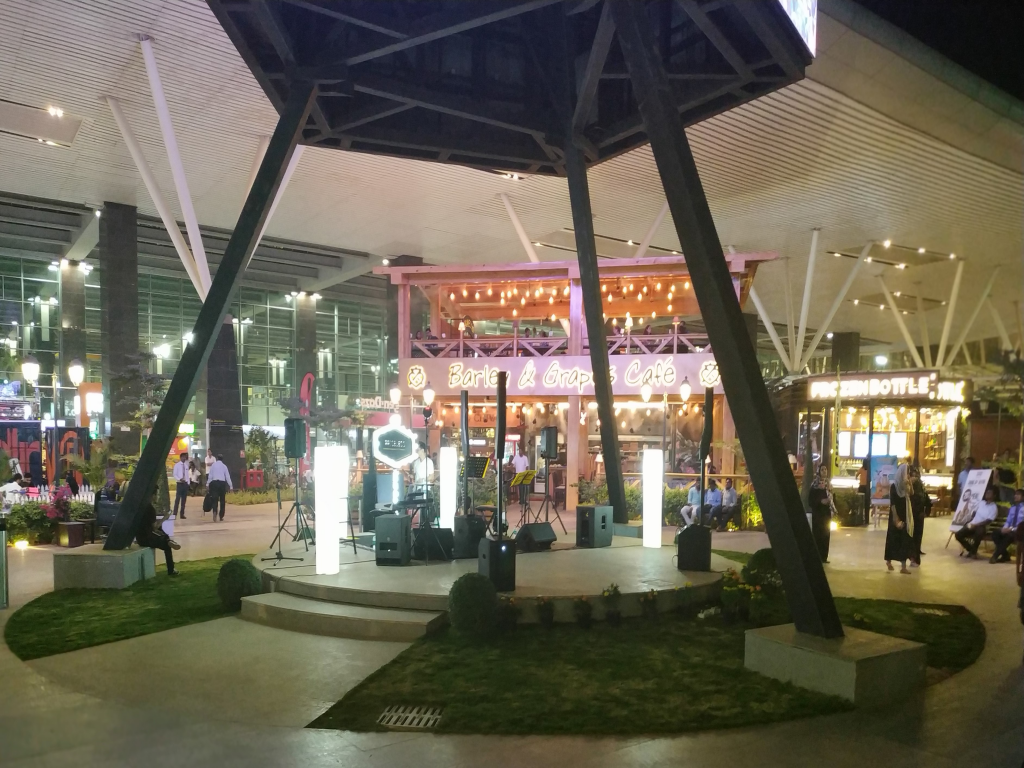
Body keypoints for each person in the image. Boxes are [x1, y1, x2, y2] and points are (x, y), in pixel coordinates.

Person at [136, 485, 180, 576]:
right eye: (156, 495)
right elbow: (154, 527)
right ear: (152, 496)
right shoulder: (150, 509)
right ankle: (171, 570)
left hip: (140, 537)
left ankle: (168, 540)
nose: (157, 497)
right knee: (166, 545)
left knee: (162, 534)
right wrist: (165, 518)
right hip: (148, 538)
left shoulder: (141, 507)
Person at [885, 463, 915, 574]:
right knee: (893, 539)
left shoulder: (905, 485)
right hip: (896, 515)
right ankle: (888, 561)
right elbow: (892, 504)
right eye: (906, 472)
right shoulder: (894, 486)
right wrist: (896, 519)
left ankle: (903, 566)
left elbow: (912, 493)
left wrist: (910, 483)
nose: (907, 474)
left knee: (904, 539)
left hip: (905, 513)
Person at [954, 485, 999, 559]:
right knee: (958, 535)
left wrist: (976, 525)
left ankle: (973, 552)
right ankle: (971, 550)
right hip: (973, 524)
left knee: (979, 531)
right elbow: (974, 512)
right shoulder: (981, 503)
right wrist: (971, 520)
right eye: (987, 492)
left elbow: (989, 520)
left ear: (994, 495)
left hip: (982, 526)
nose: (987, 494)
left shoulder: (993, 507)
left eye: (990, 493)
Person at [989, 488, 1023, 564]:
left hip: (1020, 531)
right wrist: (1004, 528)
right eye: (1015, 494)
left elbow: (1022, 524)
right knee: (995, 533)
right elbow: (1008, 520)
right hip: (1010, 529)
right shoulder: (1013, 508)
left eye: (1018, 494)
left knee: (1009, 535)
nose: (1015, 496)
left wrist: (1011, 529)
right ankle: (1005, 555)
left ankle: (995, 556)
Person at [808, 465, 833, 563]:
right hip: (818, 514)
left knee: (826, 535)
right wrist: (820, 501)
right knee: (818, 534)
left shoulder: (828, 484)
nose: (824, 471)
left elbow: (832, 498)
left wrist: (830, 502)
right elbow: (811, 500)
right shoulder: (814, 485)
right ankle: (817, 556)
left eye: (825, 469)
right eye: (822, 469)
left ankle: (824, 557)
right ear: (818, 471)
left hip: (826, 513)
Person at [909, 466, 931, 566]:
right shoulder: (921, 488)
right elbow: (928, 502)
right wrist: (926, 513)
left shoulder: (913, 488)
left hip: (913, 515)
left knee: (913, 537)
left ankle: (914, 558)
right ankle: (915, 558)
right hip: (918, 515)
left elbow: (926, 501)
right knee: (916, 537)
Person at [207, 454, 232, 521]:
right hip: (222, 483)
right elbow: (227, 477)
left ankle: (215, 511)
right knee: (222, 500)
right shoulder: (224, 466)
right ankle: (221, 516)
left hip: (214, 483)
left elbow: (210, 476)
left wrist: (207, 484)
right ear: (222, 459)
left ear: (217, 458)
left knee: (215, 499)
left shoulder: (213, 466)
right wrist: (231, 486)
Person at [512, 441, 530, 509]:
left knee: (524, 488)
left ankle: (524, 500)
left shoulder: (525, 458)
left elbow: (527, 466)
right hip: (518, 475)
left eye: (521, 451)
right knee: (520, 488)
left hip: (524, 474)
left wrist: (527, 473)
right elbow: (512, 464)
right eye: (519, 451)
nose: (520, 452)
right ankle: (521, 500)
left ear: (523, 451)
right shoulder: (516, 457)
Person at [172, 452, 190, 519]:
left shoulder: (186, 465)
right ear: (181, 457)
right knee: (177, 499)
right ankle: (174, 514)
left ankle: (182, 514)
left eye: (185, 457)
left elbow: (187, 475)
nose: (185, 458)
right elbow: (174, 474)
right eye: (183, 457)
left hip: (185, 484)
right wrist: (180, 479)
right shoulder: (177, 465)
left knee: (184, 500)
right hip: (179, 483)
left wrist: (188, 483)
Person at [857, 459, 870, 526]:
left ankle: (861, 518)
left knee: (861, 503)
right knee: (867, 504)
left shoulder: (861, 469)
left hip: (861, 487)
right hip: (867, 488)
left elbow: (856, 475)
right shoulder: (869, 470)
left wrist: (858, 479)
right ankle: (867, 520)